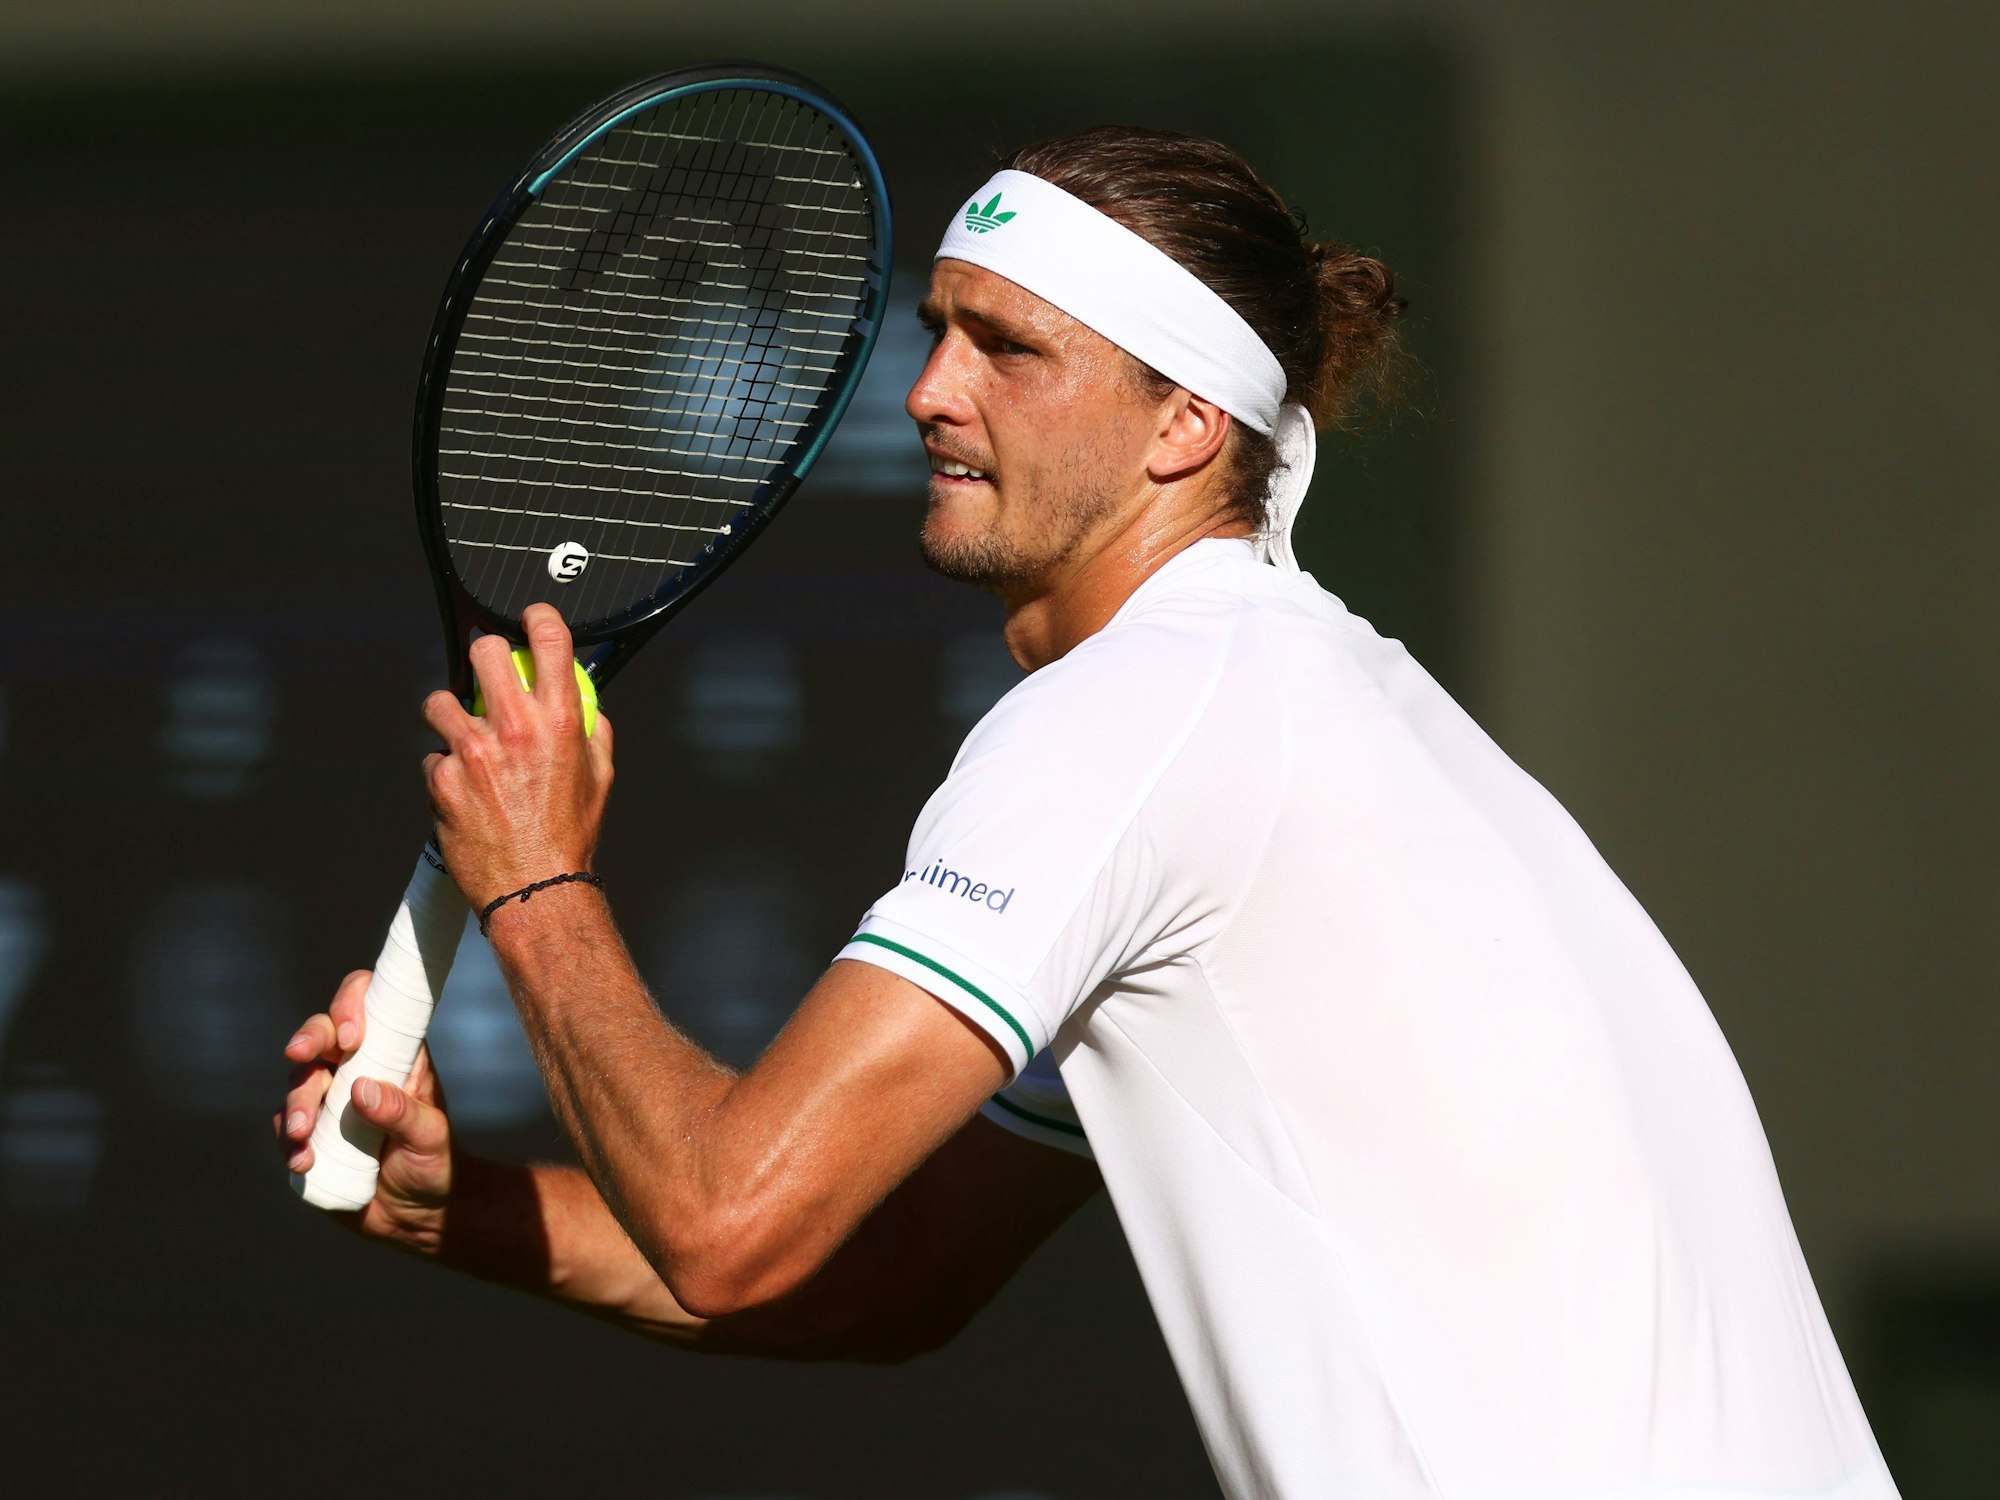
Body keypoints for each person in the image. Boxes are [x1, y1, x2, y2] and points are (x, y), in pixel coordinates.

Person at [278, 127, 1898, 1499]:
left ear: (1187, 426)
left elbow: (732, 1225)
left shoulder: (1137, 715)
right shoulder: (1301, 707)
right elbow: (887, 1279)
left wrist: (539, 878)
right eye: (941, 329)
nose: (927, 395)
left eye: (1010, 347)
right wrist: (462, 1210)